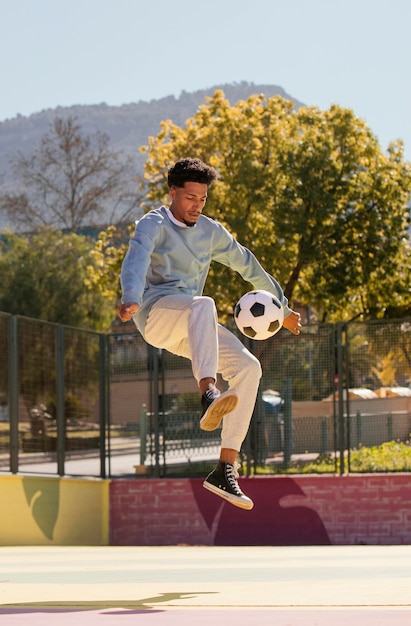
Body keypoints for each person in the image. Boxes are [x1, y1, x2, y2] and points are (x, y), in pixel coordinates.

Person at [118, 157, 302, 510]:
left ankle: (225, 467)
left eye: (202, 199)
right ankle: (208, 393)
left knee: (250, 369)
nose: (196, 206)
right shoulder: (153, 224)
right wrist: (131, 297)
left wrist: (283, 308)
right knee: (202, 304)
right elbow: (137, 258)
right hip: (157, 315)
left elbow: (247, 263)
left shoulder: (210, 231)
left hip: (191, 326)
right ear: (173, 193)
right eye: (190, 198)